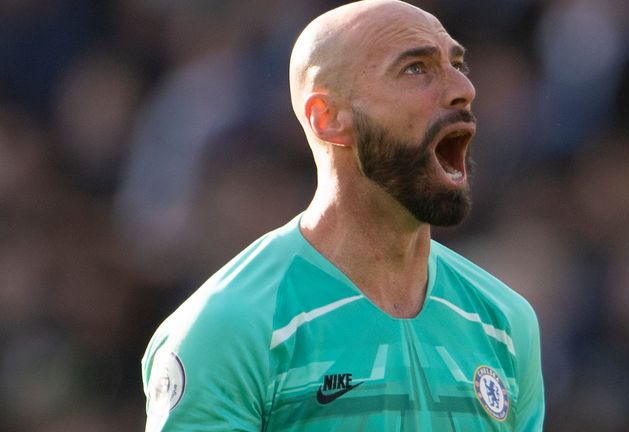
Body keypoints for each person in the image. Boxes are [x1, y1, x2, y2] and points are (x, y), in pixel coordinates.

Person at [141, 0, 545, 430]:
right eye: (415, 69)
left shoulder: (504, 321)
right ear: (327, 118)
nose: (462, 87)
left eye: (457, 64)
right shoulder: (230, 326)